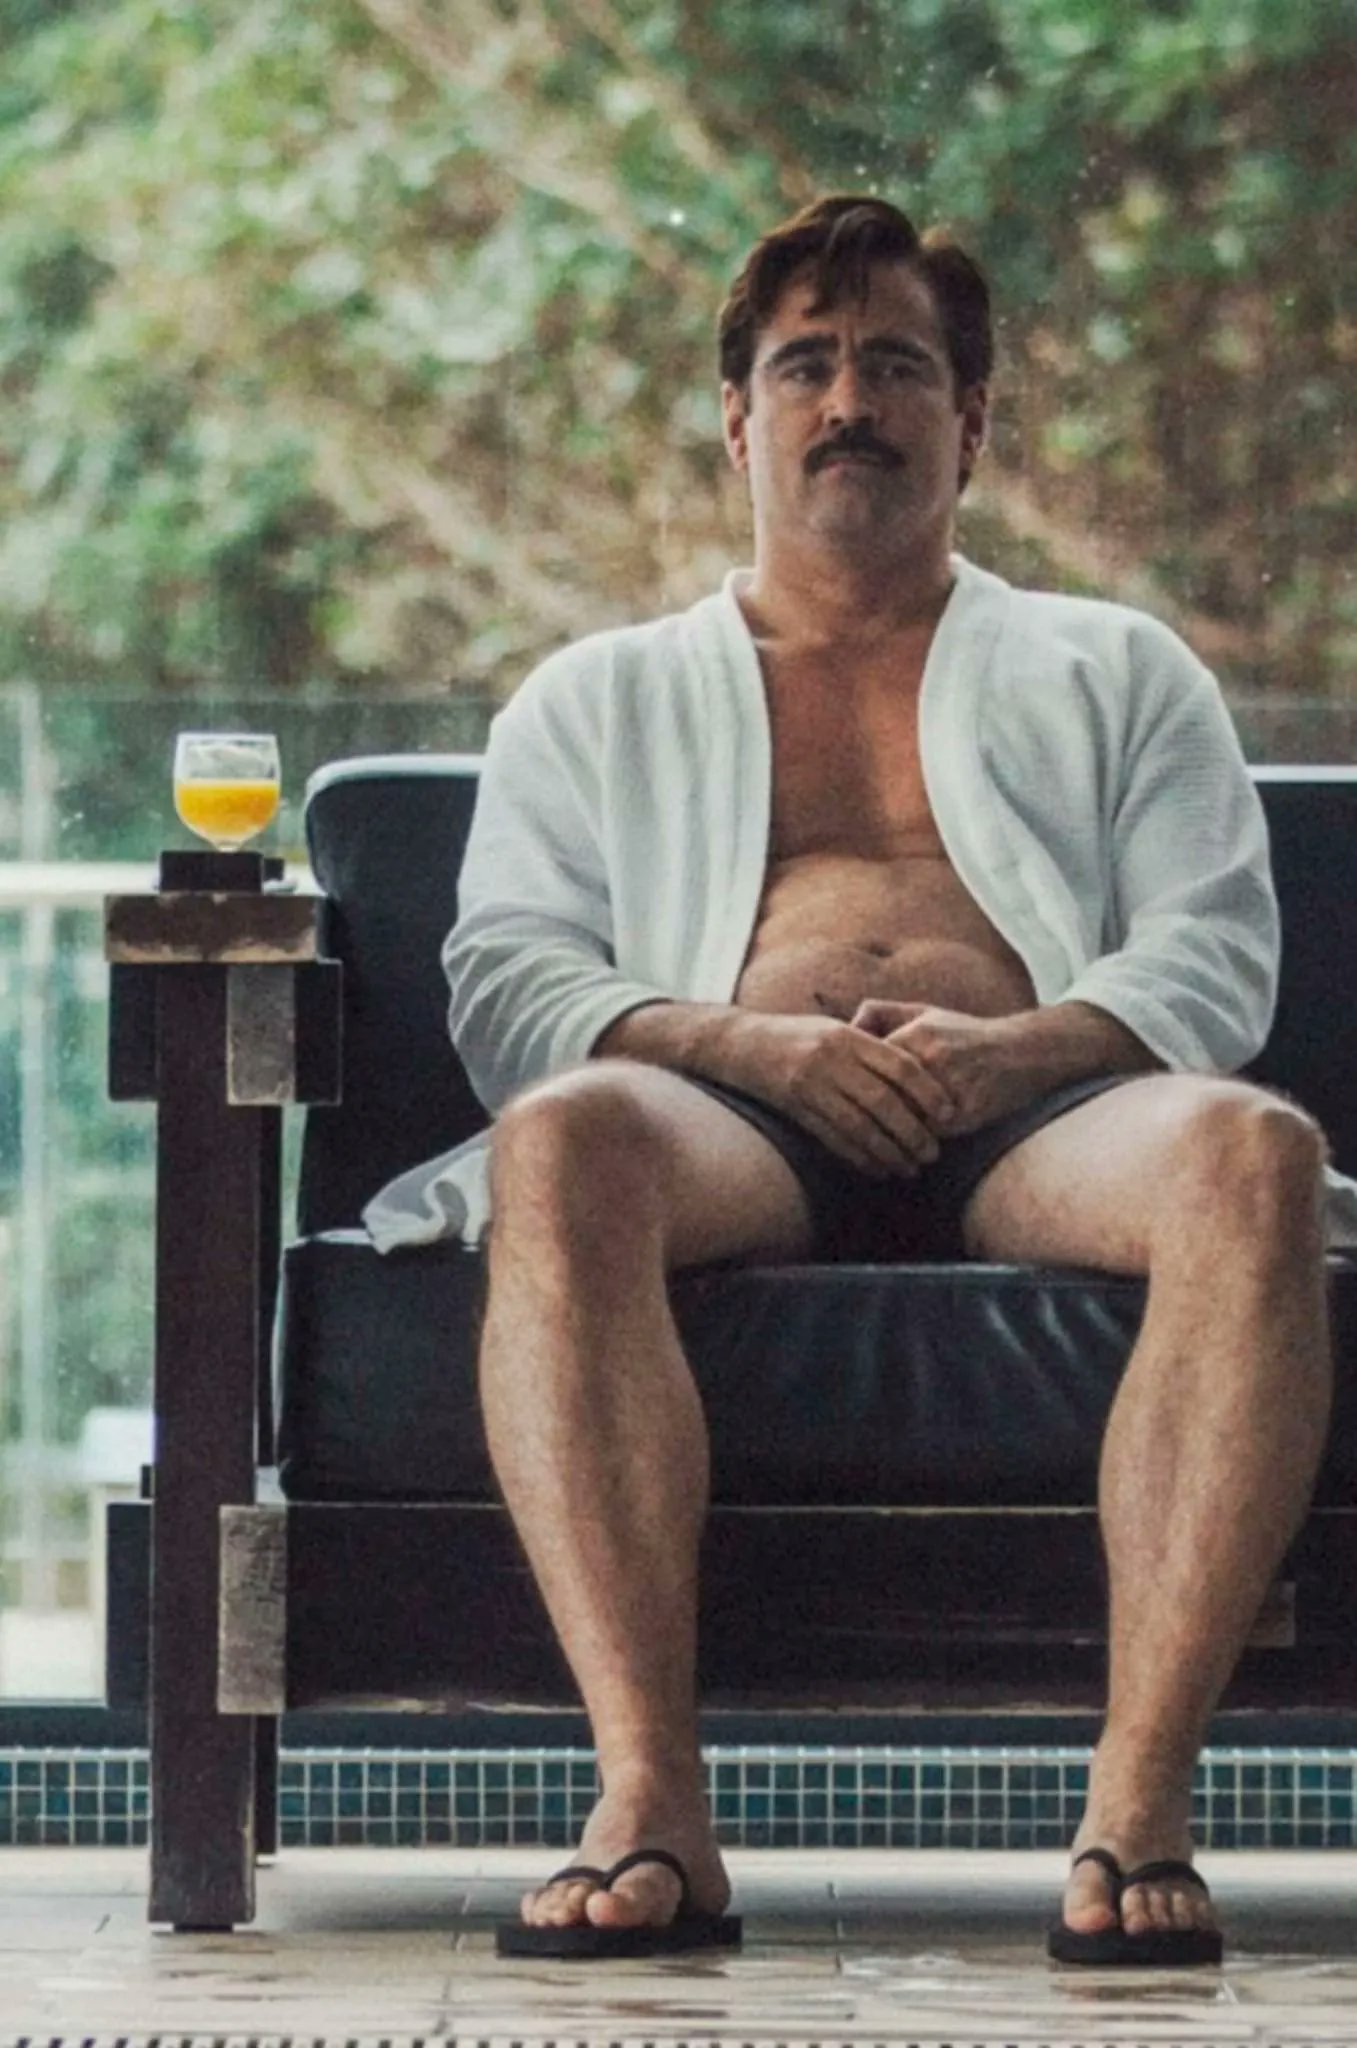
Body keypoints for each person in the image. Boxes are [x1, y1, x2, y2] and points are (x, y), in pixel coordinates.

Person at [368, 195, 1336, 1964]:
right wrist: (744, 1043)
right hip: (729, 1126)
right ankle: (651, 1800)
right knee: (560, 1136)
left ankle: (1138, 1801)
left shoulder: (1122, 669)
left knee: (1252, 1156)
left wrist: (1014, 1051)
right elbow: (509, 985)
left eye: (896, 366)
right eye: (805, 366)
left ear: (974, 421)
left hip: (1047, 1120)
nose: (849, 403)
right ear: (738, 423)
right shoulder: (593, 698)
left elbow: (1215, 960)